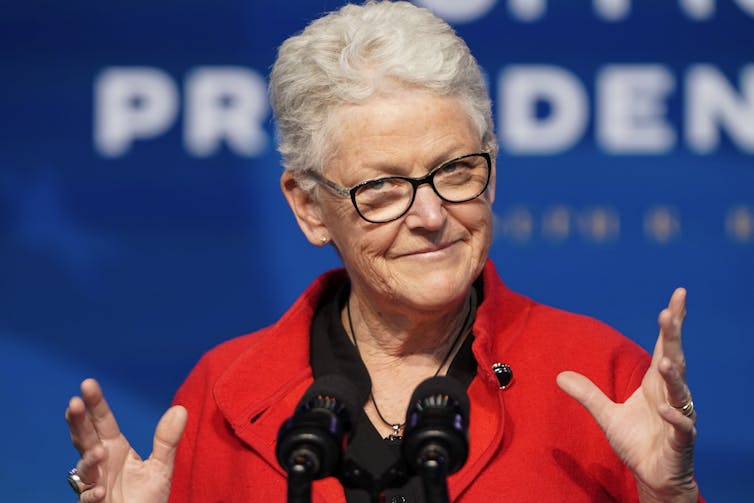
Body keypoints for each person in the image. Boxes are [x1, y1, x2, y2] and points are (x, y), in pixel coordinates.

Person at [65, 1, 702, 502]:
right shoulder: (222, 392)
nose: (430, 216)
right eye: (384, 187)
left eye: (455, 171)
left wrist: (669, 498)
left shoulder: (600, 375)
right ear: (310, 207)